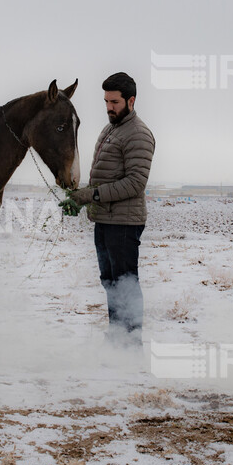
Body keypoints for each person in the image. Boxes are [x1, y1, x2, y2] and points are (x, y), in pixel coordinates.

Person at [61, 72, 155, 347]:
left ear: (131, 100)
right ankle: (116, 338)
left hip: (124, 223)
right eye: (106, 101)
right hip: (105, 219)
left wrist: (91, 195)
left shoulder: (138, 134)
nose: (109, 107)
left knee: (126, 284)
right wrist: (80, 195)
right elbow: (104, 176)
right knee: (110, 282)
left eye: (114, 102)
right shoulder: (110, 129)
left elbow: (135, 183)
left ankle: (131, 343)